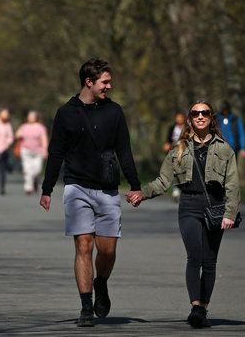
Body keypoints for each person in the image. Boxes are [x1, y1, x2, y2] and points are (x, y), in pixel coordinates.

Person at [39, 58, 142, 327]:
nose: (109, 85)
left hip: (108, 189)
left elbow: (124, 151)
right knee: (83, 245)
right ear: (89, 82)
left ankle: (101, 282)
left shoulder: (115, 112)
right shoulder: (66, 113)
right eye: (105, 82)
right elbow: (56, 153)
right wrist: (47, 189)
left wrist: (135, 185)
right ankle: (86, 306)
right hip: (77, 188)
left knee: (106, 250)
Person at [128, 100, 240, 328]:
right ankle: (195, 307)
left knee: (209, 261)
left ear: (211, 118)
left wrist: (230, 212)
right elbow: (163, 182)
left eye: (205, 113)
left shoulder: (224, 149)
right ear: (190, 118)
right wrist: (142, 193)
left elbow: (233, 185)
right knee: (194, 256)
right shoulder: (178, 149)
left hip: (215, 207)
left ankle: (203, 309)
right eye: (195, 113)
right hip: (188, 205)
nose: (200, 116)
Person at [15, 110, 48, 195]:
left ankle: (35, 184)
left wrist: (45, 150)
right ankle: (28, 188)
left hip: (38, 152)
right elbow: (17, 135)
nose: (31, 118)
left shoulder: (41, 128)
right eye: (29, 116)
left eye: (33, 116)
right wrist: (18, 135)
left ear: (36, 117)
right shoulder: (24, 127)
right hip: (25, 150)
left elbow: (44, 140)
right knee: (27, 170)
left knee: (37, 171)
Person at [216, 100, 245, 177]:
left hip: (233, 148)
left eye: (226, 110)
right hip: (219, 148)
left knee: (231, 170)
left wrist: (243, 148)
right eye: (224, 110)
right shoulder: (217, 119)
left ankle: (230, 186)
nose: (225, 111)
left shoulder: (235, 119)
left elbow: (241, 133)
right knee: (220, 169)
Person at [163, 112, 186, 201]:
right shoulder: (172, 128)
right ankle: (176, 190)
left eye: (181, 118)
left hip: (185, 152)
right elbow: (168, 139)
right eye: (178, 118)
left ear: (184, 119)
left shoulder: (187, 128)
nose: (179, 119)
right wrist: (167, 144)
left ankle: (183, 189)